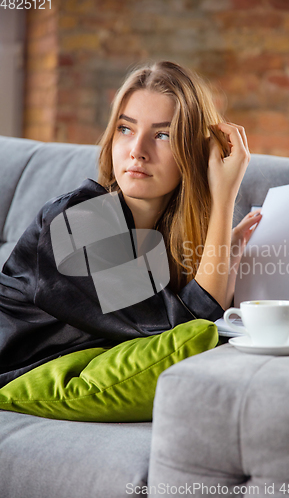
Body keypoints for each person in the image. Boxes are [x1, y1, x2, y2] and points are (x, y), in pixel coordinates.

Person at [0, 61, 261, 388]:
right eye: (125, 128)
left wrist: (224, 249)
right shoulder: (74, 222)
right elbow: (181, 334)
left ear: (194, 154)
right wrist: (223, 198)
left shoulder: (164, 240)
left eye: (162, 135)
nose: (137, 151)